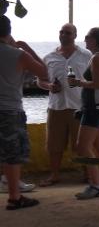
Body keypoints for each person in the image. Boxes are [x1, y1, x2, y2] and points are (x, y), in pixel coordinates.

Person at [1, 15, 48, 210]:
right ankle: (14, 197)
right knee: (12, 155)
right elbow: (44, 73)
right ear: (9, 31)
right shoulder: (18, 55)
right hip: (10, 110)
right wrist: (25, 48)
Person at [36, 23, 92, 186]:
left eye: (68, 32)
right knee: (54, 145)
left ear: (75, 35)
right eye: (61, 32)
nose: (64, 35)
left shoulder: (86, 55)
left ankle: (88, 175)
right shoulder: (49, 57)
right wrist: (49, 86)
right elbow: (40, 80)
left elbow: (94, 77)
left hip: (80, 106)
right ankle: (54, 175)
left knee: (83, 144)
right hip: (56, 106)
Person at [69, 26, 99, 200]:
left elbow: (97, 84)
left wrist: (77, 82)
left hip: (95, 107)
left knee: (83, 146)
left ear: (95, 40)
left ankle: (96, 185)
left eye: (88, 37)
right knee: (98, 145)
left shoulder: (97, 58)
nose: (85, 39)